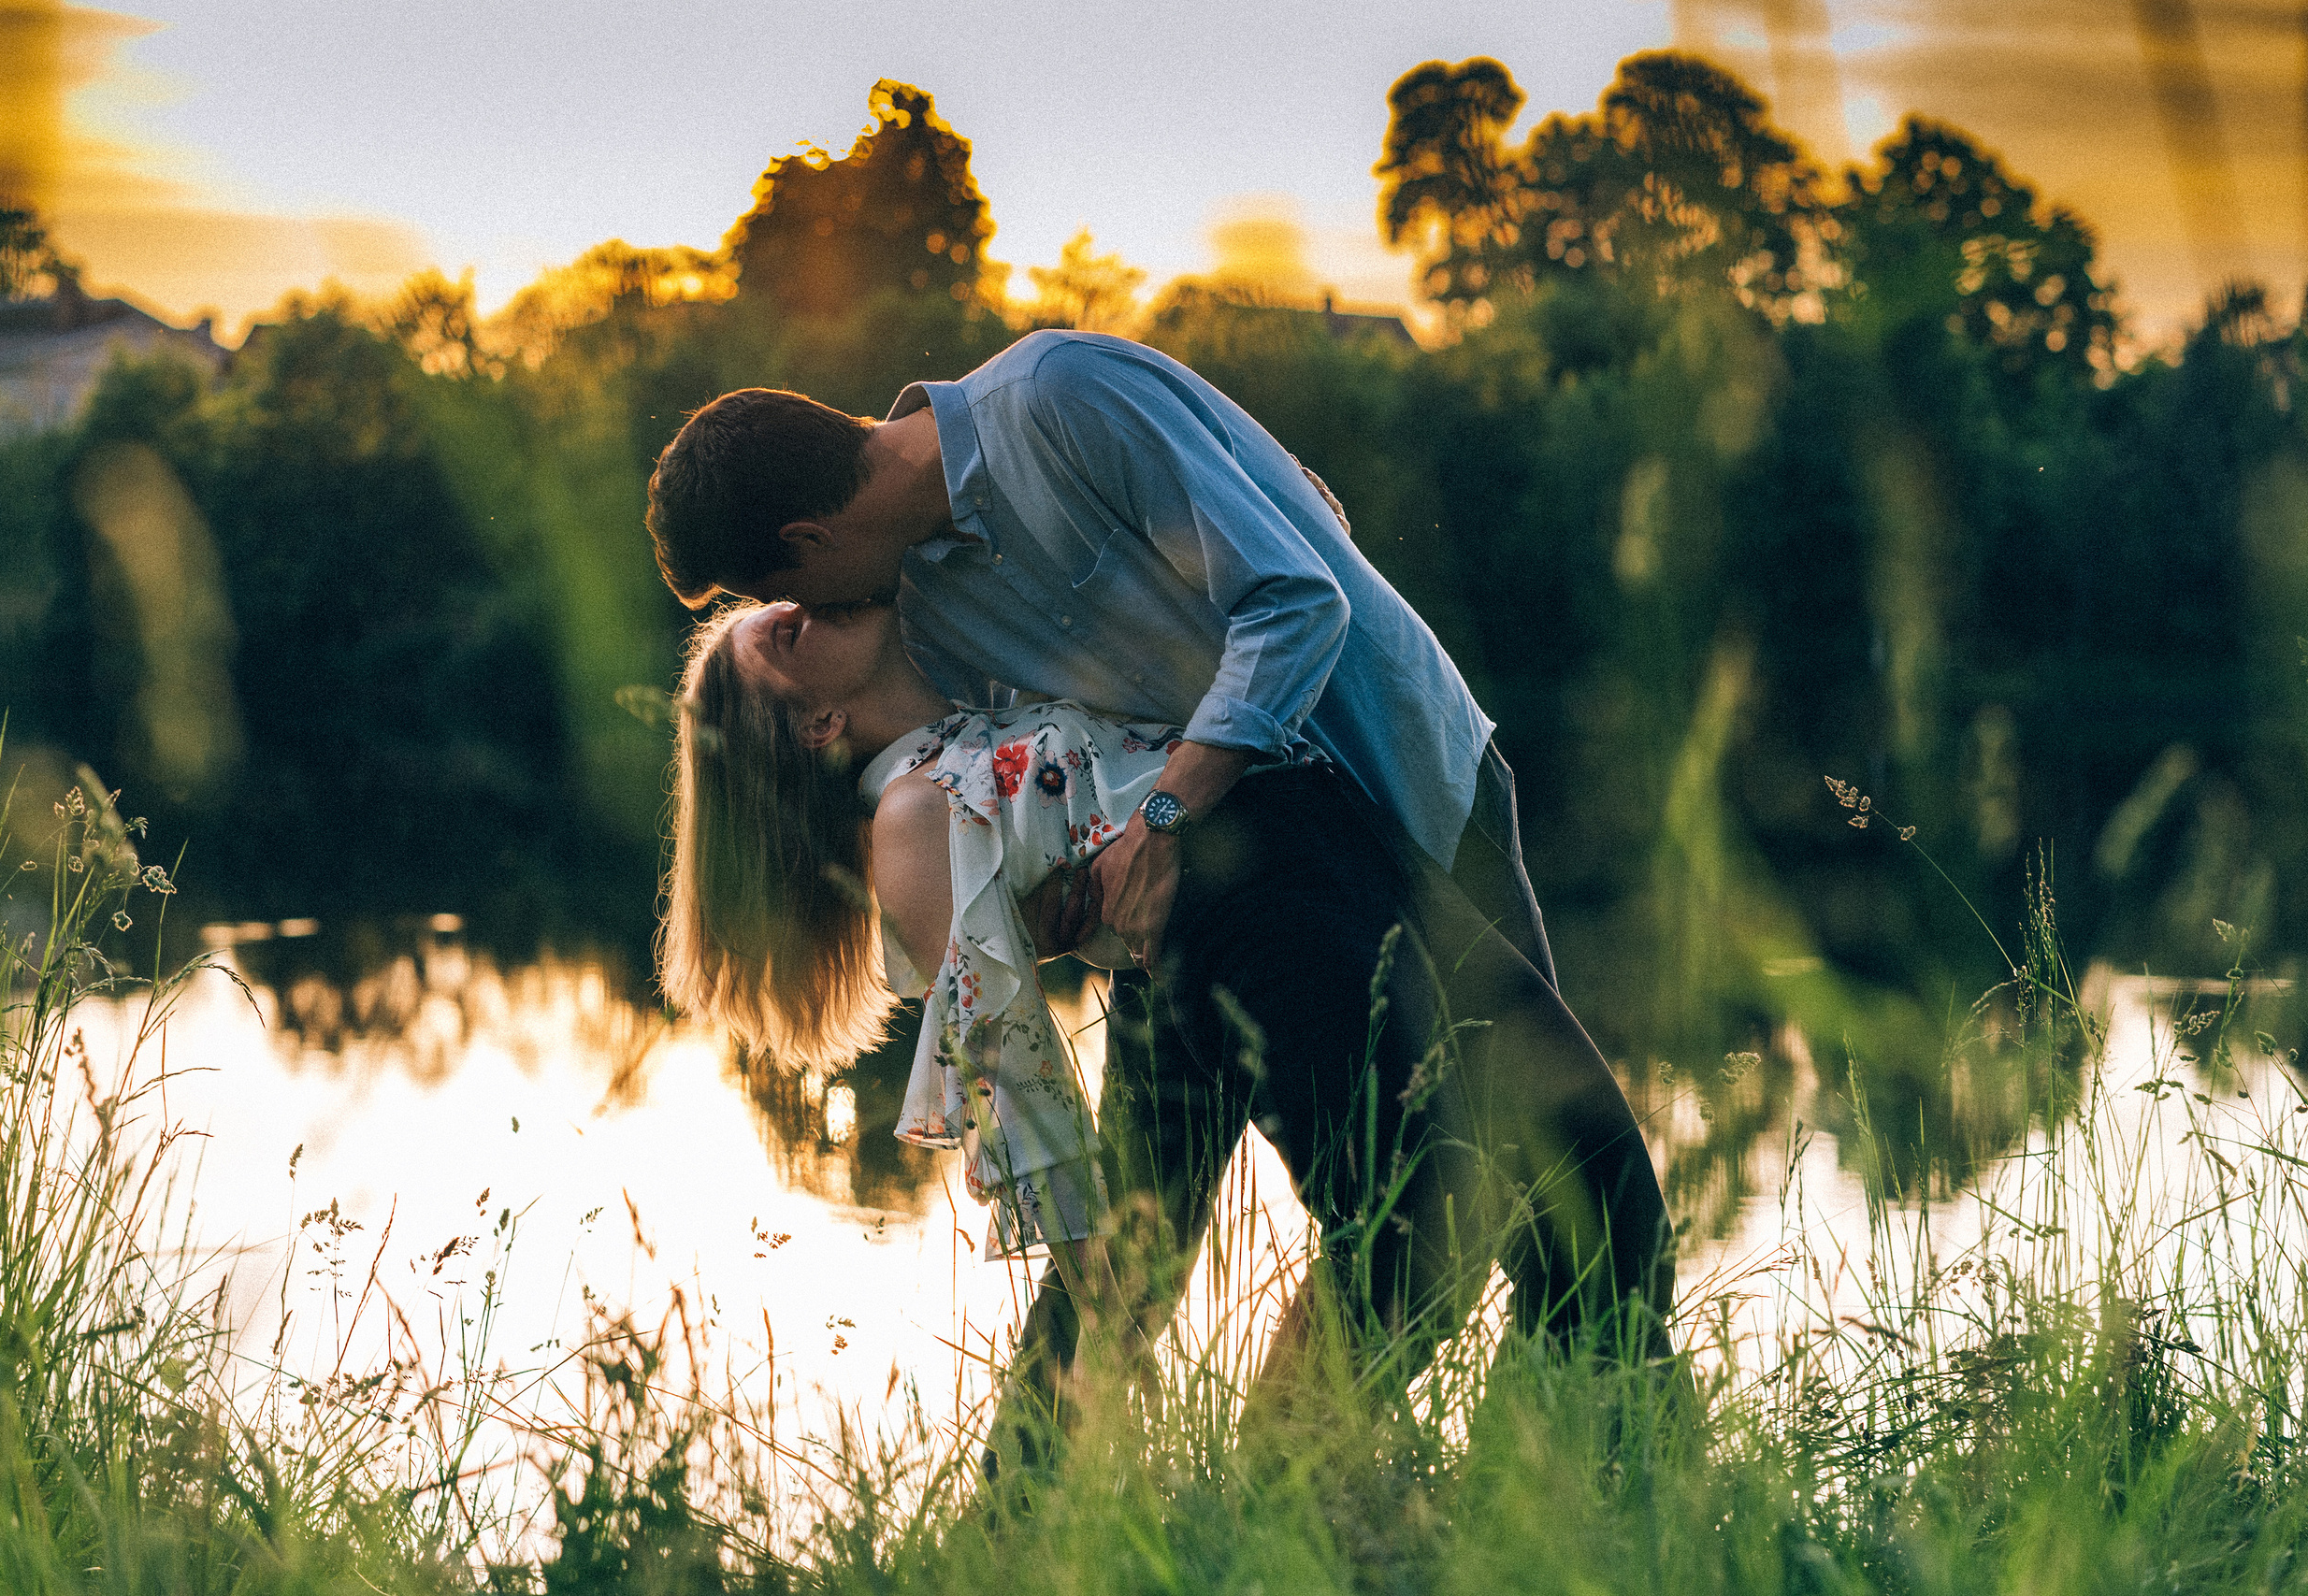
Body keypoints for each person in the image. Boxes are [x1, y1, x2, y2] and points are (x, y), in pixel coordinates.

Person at [645, 331, 1673, 1450]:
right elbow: (991, 881)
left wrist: (1155, 817)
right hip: (1237, 888)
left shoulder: (1061, 398)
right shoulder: (920, 610)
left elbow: (1297, 580)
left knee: (1549, 1178)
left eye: (779, 597)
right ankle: (1311, 1488)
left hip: (1397, 781)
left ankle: (1545, 1475)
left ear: (806, 543)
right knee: (1441, 1199)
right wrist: (1036, 902)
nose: (799, 613)